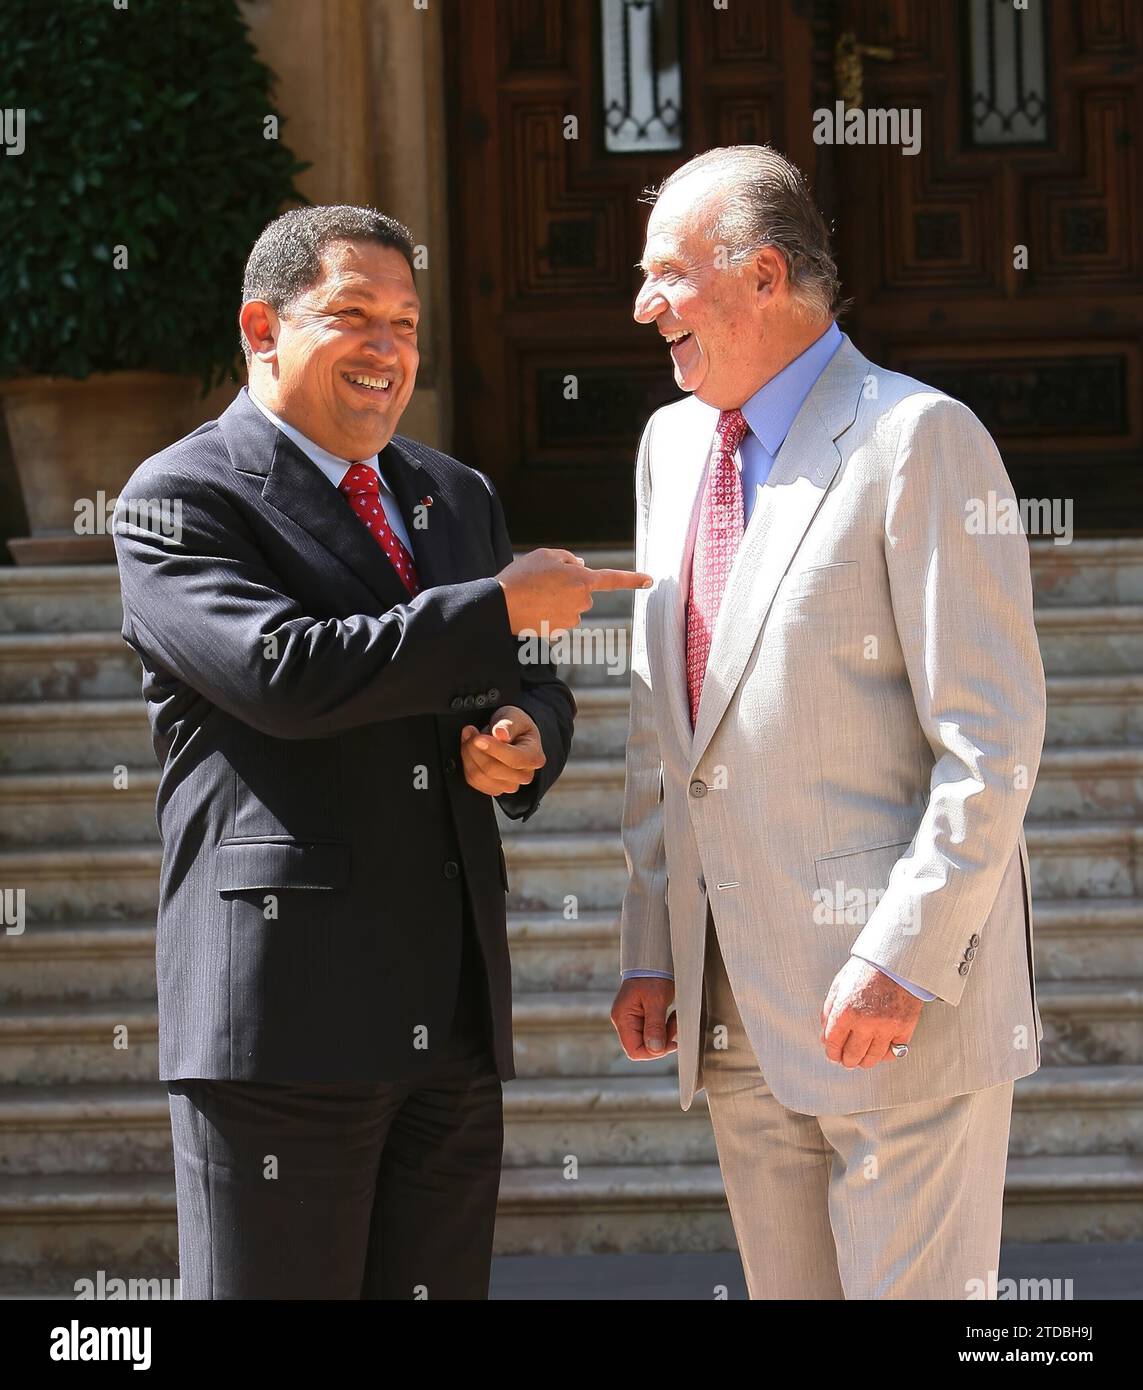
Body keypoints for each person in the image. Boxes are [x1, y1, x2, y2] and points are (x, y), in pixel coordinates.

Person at [113, 204, 649, 1299]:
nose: (389, 352)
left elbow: (531, 681)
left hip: (447, 1013)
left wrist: (523, 738)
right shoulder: (178, 499)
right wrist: (498, 607)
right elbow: (287, 673)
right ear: (262, 328)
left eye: (407, 324)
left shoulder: (454, 494)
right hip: (282, 1023)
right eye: (354, 317)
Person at [610, 147, 1046, 1299]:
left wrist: (903, 955)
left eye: (669, 276)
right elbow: (665, 726)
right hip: (735, 1005)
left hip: (897, 1005)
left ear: (763, 276)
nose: (644, 306)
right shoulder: (669, 448)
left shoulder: (921, 439)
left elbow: (991, 741)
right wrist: (654, 941)